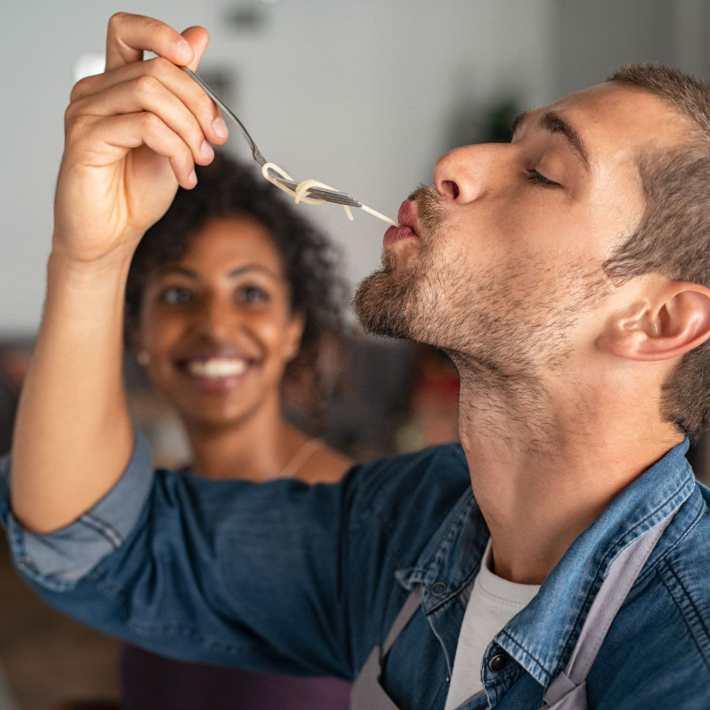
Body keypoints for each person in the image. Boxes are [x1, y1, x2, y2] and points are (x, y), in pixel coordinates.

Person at [2, 12, 710, 710]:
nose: (455, 163)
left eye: (544, 173)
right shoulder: (407, 528)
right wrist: (92, 254)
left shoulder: (687, 659)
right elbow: (94, 546)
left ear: (659, 321)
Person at [117, 153, 352, 708]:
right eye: (178, 294)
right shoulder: (144, 515)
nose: (216, 326)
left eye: (250, 293)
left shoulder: (360, 517)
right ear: (138, 333)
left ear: (294, 329)